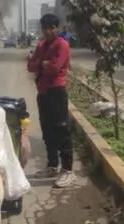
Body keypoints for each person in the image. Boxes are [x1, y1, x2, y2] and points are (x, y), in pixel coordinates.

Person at [27, 13, 75, 188]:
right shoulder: (41, 45)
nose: (48, 31)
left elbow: (54, 69)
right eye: (45, 28)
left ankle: (68, 170)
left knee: (61, 130)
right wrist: (42, 63)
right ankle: (52, 165)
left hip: (56, 91)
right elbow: (30, 66)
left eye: (52, 28)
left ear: (56, 28)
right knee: (47, 130)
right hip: (43, 93)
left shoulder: (62, 45)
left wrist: (41, 64)